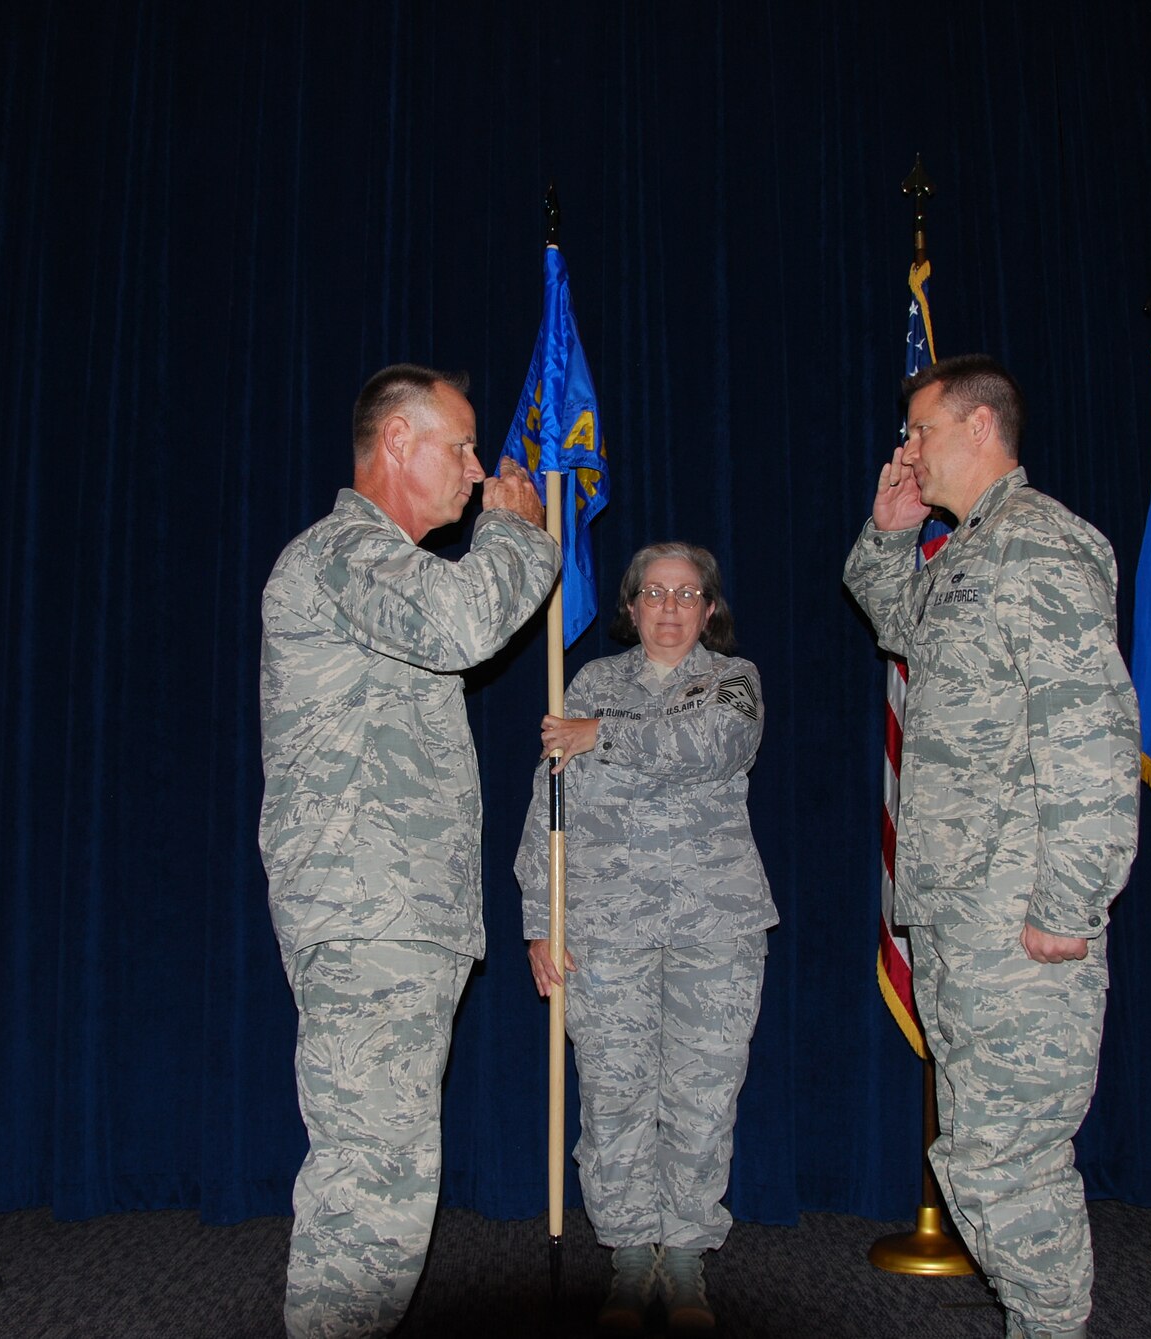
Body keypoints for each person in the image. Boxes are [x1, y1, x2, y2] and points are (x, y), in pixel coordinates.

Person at [842, 355, 1139, 1339]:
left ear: (977, 427)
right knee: (977, 1148)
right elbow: (902, 628)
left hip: (1015, 912)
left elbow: (1089, 738)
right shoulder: (964, 552)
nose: (904, 450)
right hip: (957, 911)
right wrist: (888, 540)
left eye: (916, 430)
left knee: (1007, 1153)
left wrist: (1067, 901)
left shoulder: (1040, 547)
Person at [258, 363, 557, 1339]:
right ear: (395, 443)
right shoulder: (344, 554)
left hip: (395, 918)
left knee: (383, 1188)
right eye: (459, 446)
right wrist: (518, 532)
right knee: (370, 1200)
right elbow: (466, 623)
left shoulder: (381, 565)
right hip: (367, 918)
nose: (475, 472)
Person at [515, 542, 775, 1335]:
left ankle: (687, 1255)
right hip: (604, 927)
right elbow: (546, 812)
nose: (669, 607)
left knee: (701, 1095)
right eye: (653, 592)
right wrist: (538, 918)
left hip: (715, 925)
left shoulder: (735, 681)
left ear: (708, 608)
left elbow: (711, 745)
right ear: (628, 606)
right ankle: (630, 1254)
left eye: (686, 593)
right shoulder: (587, 685)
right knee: (615, 1094)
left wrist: (604, 735)